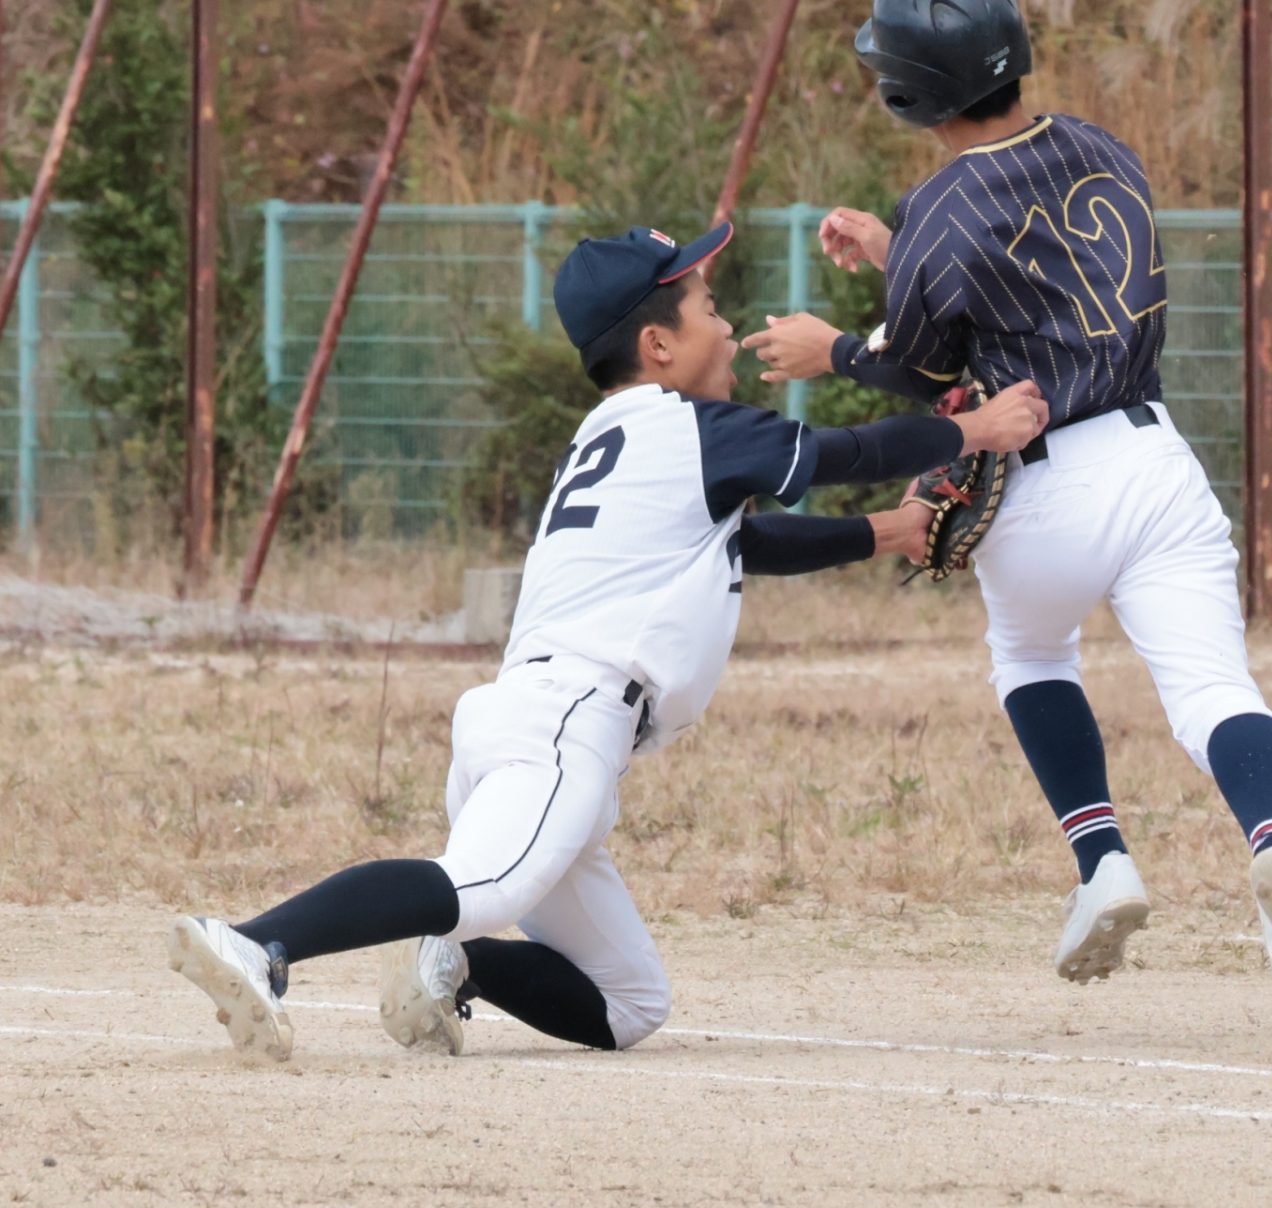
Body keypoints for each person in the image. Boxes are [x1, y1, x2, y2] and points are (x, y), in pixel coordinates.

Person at [167, 222, 1047, 1061]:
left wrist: (891, 534)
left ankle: (451, 965)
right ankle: (254, 942)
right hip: (564, 720)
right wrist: (979, 428)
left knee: (629, 1003)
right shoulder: (687, 428)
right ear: (658, 346)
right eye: (707, 308)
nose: (729, 326)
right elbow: (845, 451)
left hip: (537, 718)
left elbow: (741, 546)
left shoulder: (618, 437)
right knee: (483, 887)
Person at [741, 0, 1272, 1052]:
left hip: (1038, 483)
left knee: (1029, 652)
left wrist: (831, 346)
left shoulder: (939, 208)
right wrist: (898, 248)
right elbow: (1030, 277)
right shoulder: (1104, 147)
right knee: (1213, 690)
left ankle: (1103, 860)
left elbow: (926, 367)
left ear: (908, 96)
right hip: (1153, 459)